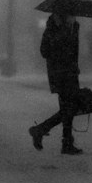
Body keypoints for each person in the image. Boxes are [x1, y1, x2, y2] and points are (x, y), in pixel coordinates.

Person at [30, 9, 84, 155]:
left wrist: (74, 65)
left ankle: (62, 140)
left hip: (70, 72)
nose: (73, 16)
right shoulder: (53, 29)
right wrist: (60, 45)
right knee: (69, 108)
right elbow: (44, 51)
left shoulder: (74, 27)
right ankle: (54, 136)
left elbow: (74, 51)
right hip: (60, 73)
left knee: (68, 108)